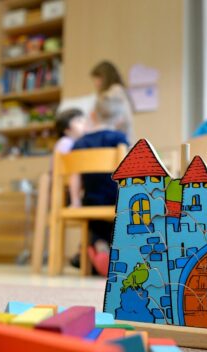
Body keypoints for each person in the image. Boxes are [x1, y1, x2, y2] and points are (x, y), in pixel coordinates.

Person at [70, 95, 129, 276]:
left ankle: (97, 246)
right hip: (115, 199)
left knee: (94, 223)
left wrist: (75, 201)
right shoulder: (120, 139)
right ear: (119, 119)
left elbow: (75, 176)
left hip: (90, 200)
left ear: (93, 115)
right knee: (119, 223)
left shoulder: (80, 142)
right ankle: (111, 251)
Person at [90, 61, 134, 140]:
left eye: (97, 79)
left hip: (118, 137)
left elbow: (111, 113)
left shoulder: (115, 91)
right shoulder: (118, 90)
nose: (95, 83)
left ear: (105, 78)